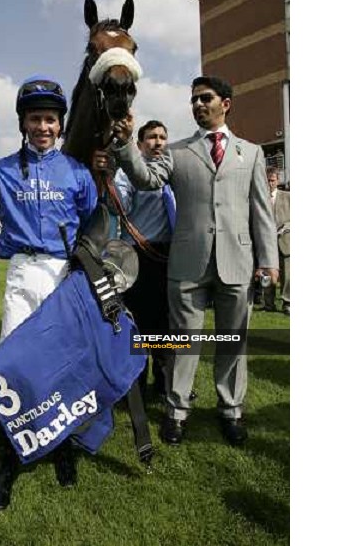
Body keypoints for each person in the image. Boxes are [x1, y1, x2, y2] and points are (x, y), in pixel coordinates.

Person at [95, 75, 278, 447]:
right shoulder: (176, 153)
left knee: (232, 341)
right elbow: (146, 179)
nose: (197, 105)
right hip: (188, 264)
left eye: (204, 98)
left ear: (225, 103)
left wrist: (268, 260)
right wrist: (128, 143)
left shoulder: (252, 152)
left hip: (237, 263)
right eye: (193, 100)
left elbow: (261, 212)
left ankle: (231, 410)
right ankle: (177, 413)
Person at [0, 75, 98, 511]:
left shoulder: (76, 172)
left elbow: (90, 222)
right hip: (21, 272)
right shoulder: (2, 169)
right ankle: (7, 462)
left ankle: (63, 449)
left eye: (50, 119)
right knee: (13, 370)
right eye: (35, 119)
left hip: (62, 275)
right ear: (23, 123)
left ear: (60, 123)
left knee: (65, 366)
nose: (43, 127)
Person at [109, 120, 175, 399]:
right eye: (151, 137)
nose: (157, 142)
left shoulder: (173, 172)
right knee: (137, 325)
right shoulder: (128, 174)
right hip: (138, 257)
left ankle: (164, 382)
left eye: (162, 137)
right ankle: (136, 386)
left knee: (167, 324)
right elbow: (119, 204)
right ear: (139, 144)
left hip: (170, 257)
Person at [264, 167, 290, 315]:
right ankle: (268, 304)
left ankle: (287, 303)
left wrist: (285, 227)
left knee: (288, 275)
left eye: (273, 180)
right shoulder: (259, 197)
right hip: (267, 244)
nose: (270, 183)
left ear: (278, 181)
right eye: (267, 180)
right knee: (267, 274)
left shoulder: (288, 197)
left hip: (285, 241)